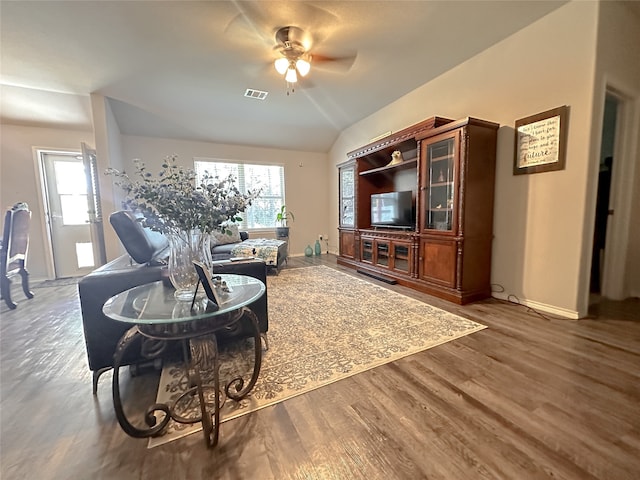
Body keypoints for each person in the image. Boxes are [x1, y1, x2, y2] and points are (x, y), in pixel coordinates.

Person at [591, 157, 612, 292]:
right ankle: (596, 285)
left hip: (599, 218)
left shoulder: (602, 178)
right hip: (599, 218)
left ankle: (595, 285)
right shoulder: (608, 179)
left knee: (596, 251)